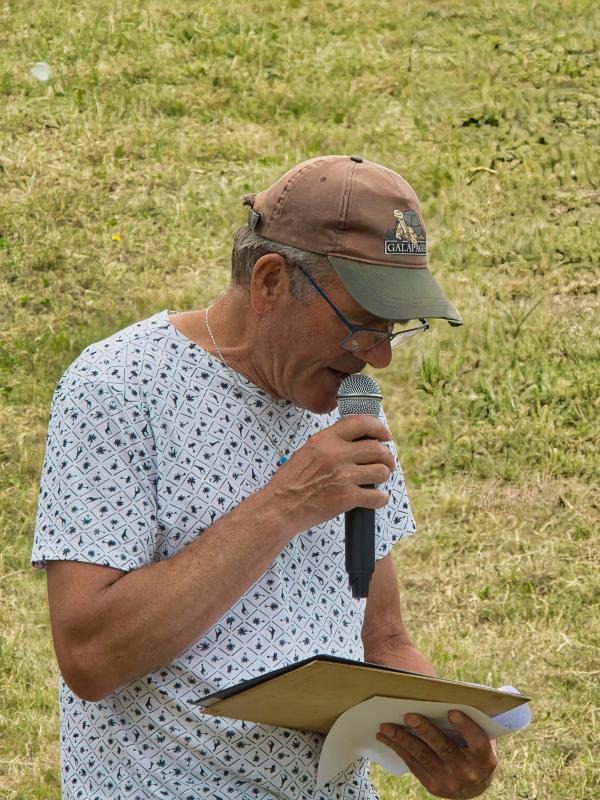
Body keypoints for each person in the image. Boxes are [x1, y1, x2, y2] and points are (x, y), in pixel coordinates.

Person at [32, 155, 497, 800]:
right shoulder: (119, 386)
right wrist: (285, 504)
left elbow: (383, 638)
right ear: (271, 281)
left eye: (395, 330)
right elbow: (91, 656)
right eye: (363, 323)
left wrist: (444, 746)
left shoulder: (350, 402)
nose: (381, 357)